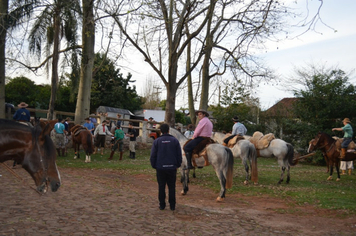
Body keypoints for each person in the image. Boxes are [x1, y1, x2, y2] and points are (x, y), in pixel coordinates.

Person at [150, 123, 182, 211]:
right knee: (172, 187)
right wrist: (177, 164)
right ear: (168, 130)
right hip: (172, 168)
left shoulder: (157, 141)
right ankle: (172, 205)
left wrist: (154, 165)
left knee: (161, 186)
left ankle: (162, 205)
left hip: (160, 168)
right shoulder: (175, 141)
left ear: (160, 131)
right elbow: (179, 154)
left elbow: (153, 155)